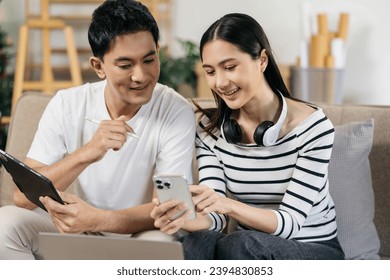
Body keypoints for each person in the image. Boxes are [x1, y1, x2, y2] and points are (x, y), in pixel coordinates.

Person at [0, 0, 195, 260]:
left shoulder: (176, 111)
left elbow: (169, 209)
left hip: (141, 231)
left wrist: (97, 220)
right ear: (99, 67)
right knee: (6, 224)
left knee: (160, 245)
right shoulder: (67, 104)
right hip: (80, 231)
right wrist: (87, 153)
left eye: (149, 60)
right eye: (125, 65)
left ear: (158, 51)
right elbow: (23, 198)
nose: (141, 76)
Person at [151, 13, 345, 260]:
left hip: (313, 249)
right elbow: (217, 217)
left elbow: (290, 223)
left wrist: (229, 205)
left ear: (262, 60)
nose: (220, 82)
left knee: (239, 244)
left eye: (230, 67)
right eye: (210, 71)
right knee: (198, 241)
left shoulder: (313, 128)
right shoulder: (211, 132)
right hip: (248, 249)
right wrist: (182, 218)